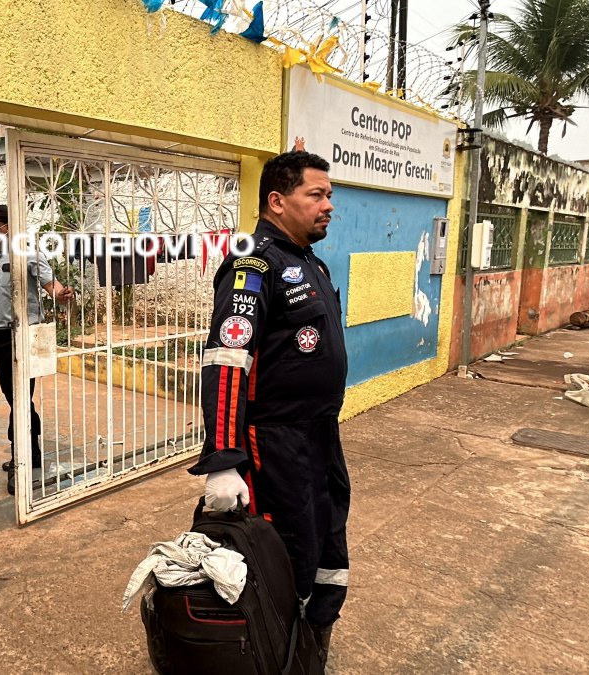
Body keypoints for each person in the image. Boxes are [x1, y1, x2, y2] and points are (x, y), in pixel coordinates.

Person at [191, 151, 349, 667]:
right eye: (317, 194)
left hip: (320, 437)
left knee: (326, 546)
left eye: (329, 195)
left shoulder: (311, 262)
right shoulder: (253, 264)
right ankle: (272, 657)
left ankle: (311, 650)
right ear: (277, 202)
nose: (329, 205)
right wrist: (224, 459)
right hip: (274, 443)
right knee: (285, 553)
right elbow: (227, 361)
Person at [0, 204, 74, 495]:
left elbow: (50, 284)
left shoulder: (29, 252)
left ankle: (21, 458)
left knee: (20, 397)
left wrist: (62, 293)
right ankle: (31, 450)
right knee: (14, 397)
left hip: (23, 336)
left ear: (9, 226)